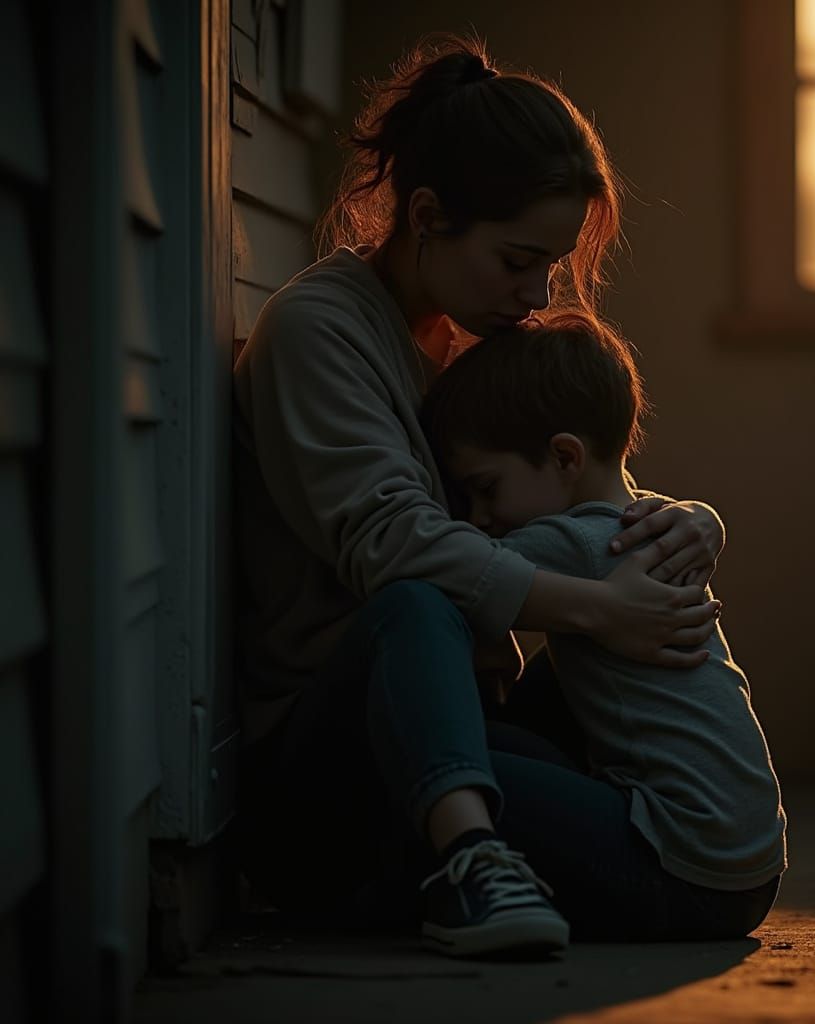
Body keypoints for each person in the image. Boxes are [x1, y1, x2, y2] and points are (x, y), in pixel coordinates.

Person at [233, 34, 728, 959]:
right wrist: (598, 609)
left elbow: (571, 487)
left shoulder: (473, 344)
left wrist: (685, 524)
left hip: (451, 724)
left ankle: (634, 846)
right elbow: (393, 544)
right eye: (516, 258)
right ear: (426, 215)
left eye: (552, 262)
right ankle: (469, 867)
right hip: (331, 770)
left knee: (601, 721)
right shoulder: (317, 333)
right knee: (412, 602)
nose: (538, 292)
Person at [420, 312, 788, 942]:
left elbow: (444, 573)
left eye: (485, 488)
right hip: (746, 871)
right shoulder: (646, 520)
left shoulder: (571, 542)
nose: (480, 518)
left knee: (443, 764)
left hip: (682, 869)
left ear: (565, 456)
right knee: (489, 740)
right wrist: (705, 515)